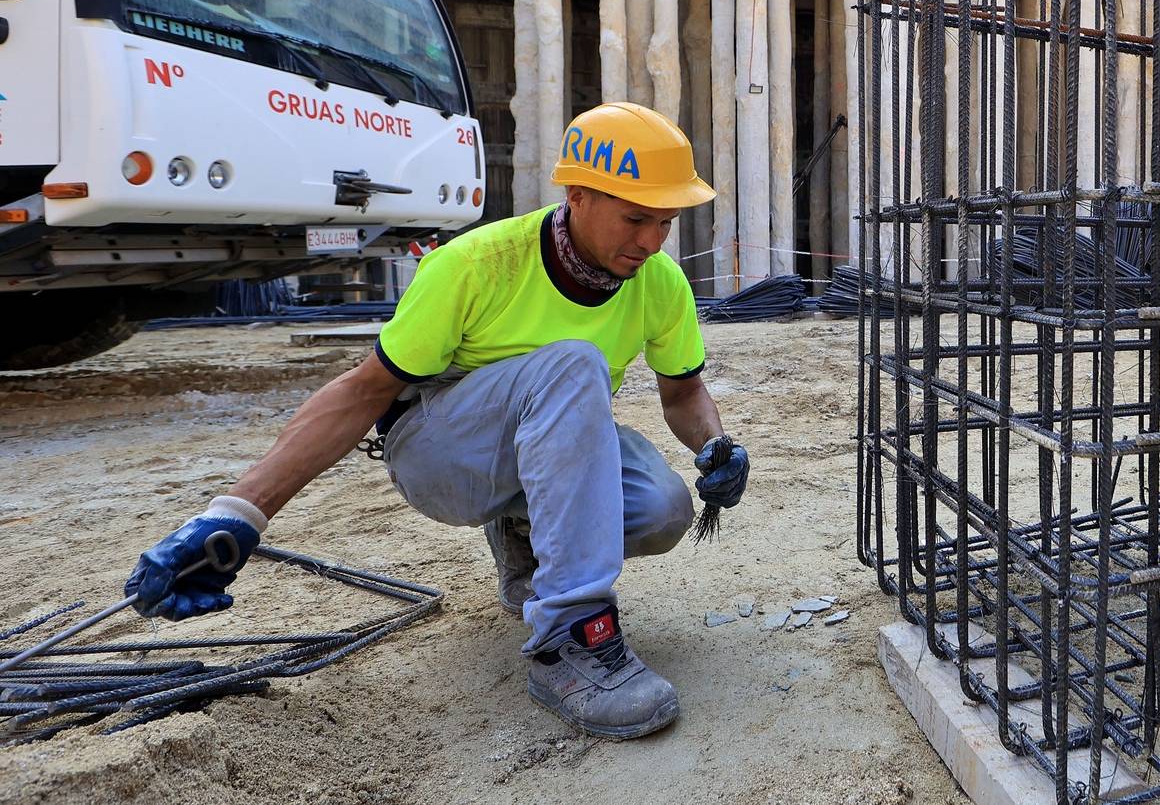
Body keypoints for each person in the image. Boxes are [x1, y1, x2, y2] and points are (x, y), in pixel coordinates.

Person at [124, 101, 748, 741]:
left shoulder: (659, 283)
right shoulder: (477, 265)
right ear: (579, 195)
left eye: (665, 223)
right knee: (572, 365)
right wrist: (240, 512)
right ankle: (568, 637)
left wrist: (714, 445)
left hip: (544, 442)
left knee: (661, 507)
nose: (650, 241)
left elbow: (683, 392)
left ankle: (527, 538)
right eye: (636, 218)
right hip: (439, 453)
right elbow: (363, 391)